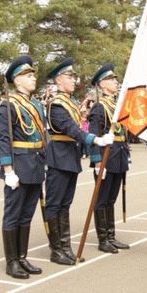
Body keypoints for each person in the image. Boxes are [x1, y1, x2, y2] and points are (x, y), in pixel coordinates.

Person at [44, 58, 113, 265]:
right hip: (59, 157)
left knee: (65, 204)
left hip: (70, 157)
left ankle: (65, 247)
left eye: (73, 76)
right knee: (55, 204)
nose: (74, 80)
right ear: (58, 80)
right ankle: (56, 249)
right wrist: (94, 139)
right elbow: (71, 129)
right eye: (69, 77)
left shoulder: (71, 103)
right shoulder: (56, 105)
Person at [0, 55, 46, 279]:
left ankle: (22, 257)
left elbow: (42, 136)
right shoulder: (9, 104)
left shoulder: (36, 104)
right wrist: (8, 171)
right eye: (28, 75)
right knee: (13, 214)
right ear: (16, 81)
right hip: (18, 165)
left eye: (33, 74)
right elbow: (3, 139)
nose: (33, 78)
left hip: (35, 163)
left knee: (26, 215)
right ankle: (12, 261)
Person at [88, 63, 131, 254]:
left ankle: (111, 235)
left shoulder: (117, 105)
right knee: (102, 199)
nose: (116, 82)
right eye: (111, 80)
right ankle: (103, 239)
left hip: (119, 154)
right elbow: (94, 135)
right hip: (107, 157)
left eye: (115, 79)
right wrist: (97, 162)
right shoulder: (99, 107)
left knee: (111, 198)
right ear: (102, 85)